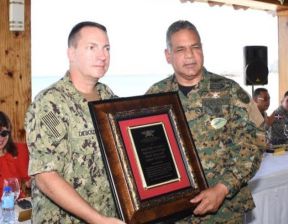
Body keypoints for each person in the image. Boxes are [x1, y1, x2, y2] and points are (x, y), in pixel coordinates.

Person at [146, 20, 264, 223]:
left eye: (195, 47)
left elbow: (255, 143)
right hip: (174, 213)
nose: (190, 55)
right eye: (180, 49)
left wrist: (223, 187)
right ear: (168, 55)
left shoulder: (230, 91)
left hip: (224, 212)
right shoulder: (155, 96)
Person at [25, 21, 125, 224]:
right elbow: (46, 176)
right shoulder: (50, 103)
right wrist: (97, 219)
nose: (102, 55)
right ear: (71, 53)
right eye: (92, 47)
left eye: (106, 48)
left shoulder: (111, 98)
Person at [0, 111, 30, 198]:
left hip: (15, 206)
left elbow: (29, 183)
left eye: (4, 133)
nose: (1, 138)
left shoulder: (19, 150)